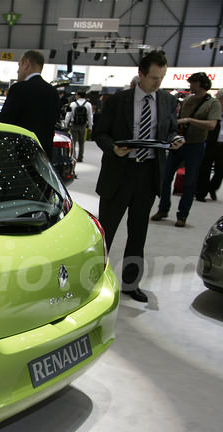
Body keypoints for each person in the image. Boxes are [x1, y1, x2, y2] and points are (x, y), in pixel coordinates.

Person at [93, 50, 184, 303]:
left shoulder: (167, 101)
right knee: (106, 231)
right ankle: (94, 280)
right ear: (140, 74)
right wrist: (113, 148)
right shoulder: (118, 100)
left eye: (162, 77)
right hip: (119, 172)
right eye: (154, 77)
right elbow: (100, 133)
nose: (158, 83)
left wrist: (175, 138)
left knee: (138, 232)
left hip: (148, 174)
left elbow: (170, 130)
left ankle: (131, 284)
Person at [151, 72, 221, 226]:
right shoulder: (188, 100)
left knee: (189, 182)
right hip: (178, 143)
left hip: (196, 146)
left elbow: (212, 125)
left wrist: (189, 120)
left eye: (192, 83)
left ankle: (182, 215)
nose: (190, 86)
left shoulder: (212, 103)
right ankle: (163, 208)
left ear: (200, 84)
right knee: (165, 178)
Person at [0, 50, 60, 159]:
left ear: (26, 64)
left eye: (19, 65)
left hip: (20, 155)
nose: (18, 71)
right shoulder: (53, 92)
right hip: (43, 157)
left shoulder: (19, 88)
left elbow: (4, 122)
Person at [196, 90, 223, 201]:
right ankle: (201, 193)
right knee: (205, 168)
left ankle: (212, 188)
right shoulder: (212, 109)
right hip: (210, 142)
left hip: (222, 144)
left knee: (220, 171)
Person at [65, 91, 93, 162]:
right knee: (81, 142)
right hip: (83, 125)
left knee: (73, 141)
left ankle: (74, 157)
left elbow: (68, 115)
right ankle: (80, 157)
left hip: (74, 124)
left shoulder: (73, 104)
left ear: (78, 95)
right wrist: (90, 127)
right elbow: (90, 116)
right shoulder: (88, 104)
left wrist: (66, 124)